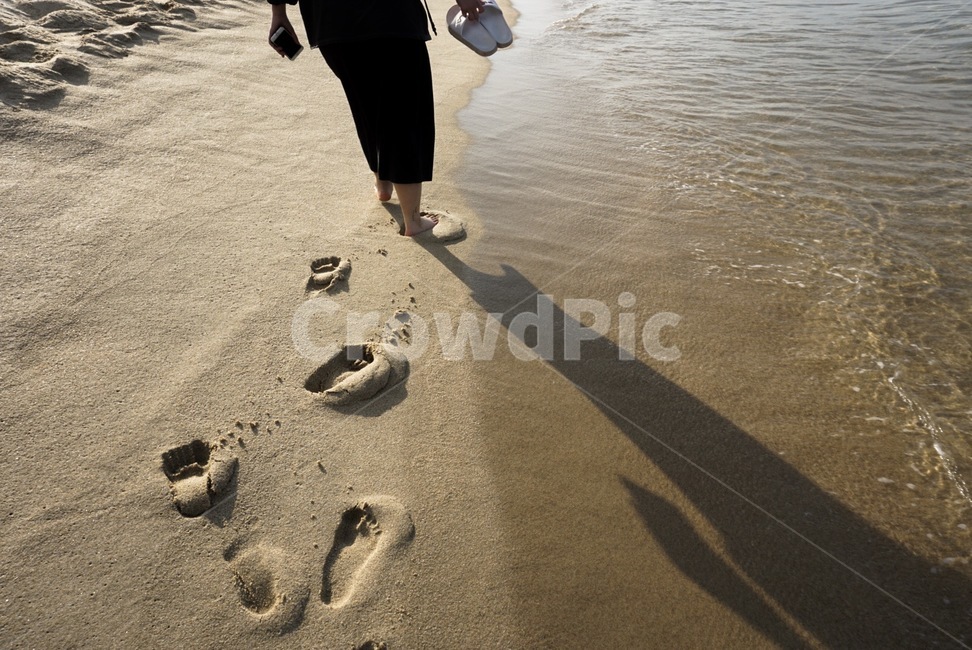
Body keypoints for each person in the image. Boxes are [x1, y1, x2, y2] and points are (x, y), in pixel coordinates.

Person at [268, 0, 485, 236]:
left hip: (330, 22)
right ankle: (413, 220)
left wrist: (278, 12)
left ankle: (383, 184)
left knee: (365, 105)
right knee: (405, 116)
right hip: (391, 15)